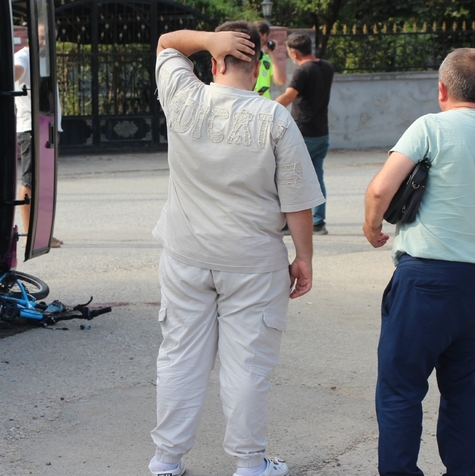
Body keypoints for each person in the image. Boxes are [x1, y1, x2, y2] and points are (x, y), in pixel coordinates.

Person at [149, 21, 325, 476]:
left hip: (186, 255)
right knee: (247, 364)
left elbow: (167, 44)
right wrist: (304, 258)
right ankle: (250, 463)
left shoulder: (184, 97)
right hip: (253, 263)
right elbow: (297, 202)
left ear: (214, 62)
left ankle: (166, 460)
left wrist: (207, 40)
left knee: (180, 356)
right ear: (260, 64)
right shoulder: (275, 119)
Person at [363, 48, 475, 476]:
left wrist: (371, 226)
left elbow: (381, 189)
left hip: (423, 279)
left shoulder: (430, 128)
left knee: (401, 388)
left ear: (442, 90)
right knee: (463, 386)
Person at [275, 33, 334, 235]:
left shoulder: (302, 71)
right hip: (321, 132)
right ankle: (318, 222)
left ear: (294, 53)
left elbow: (288, 96)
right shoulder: (327, 67)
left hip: (303, 133)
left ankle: (287, 223)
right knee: (317, 176)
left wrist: (266, 108)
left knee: (290, 176)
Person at [14, 24, 63, 248]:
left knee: (44, 183)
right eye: (42, 38)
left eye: (50, 38)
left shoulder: (45, 60)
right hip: (31, 130)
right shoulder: (23, 56)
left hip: (48, 128)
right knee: (30, 181)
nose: (45, 43)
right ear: (32, 36)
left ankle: (42, 233)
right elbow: (17, 70)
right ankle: (29, 235)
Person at [252, 21, 286, 99]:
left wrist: (272, 53)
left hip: (264, 102)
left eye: (262, 40)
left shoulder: (267, 58)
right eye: (257, 39)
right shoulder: (243, 57)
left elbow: (280, 81)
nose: (259, 43)